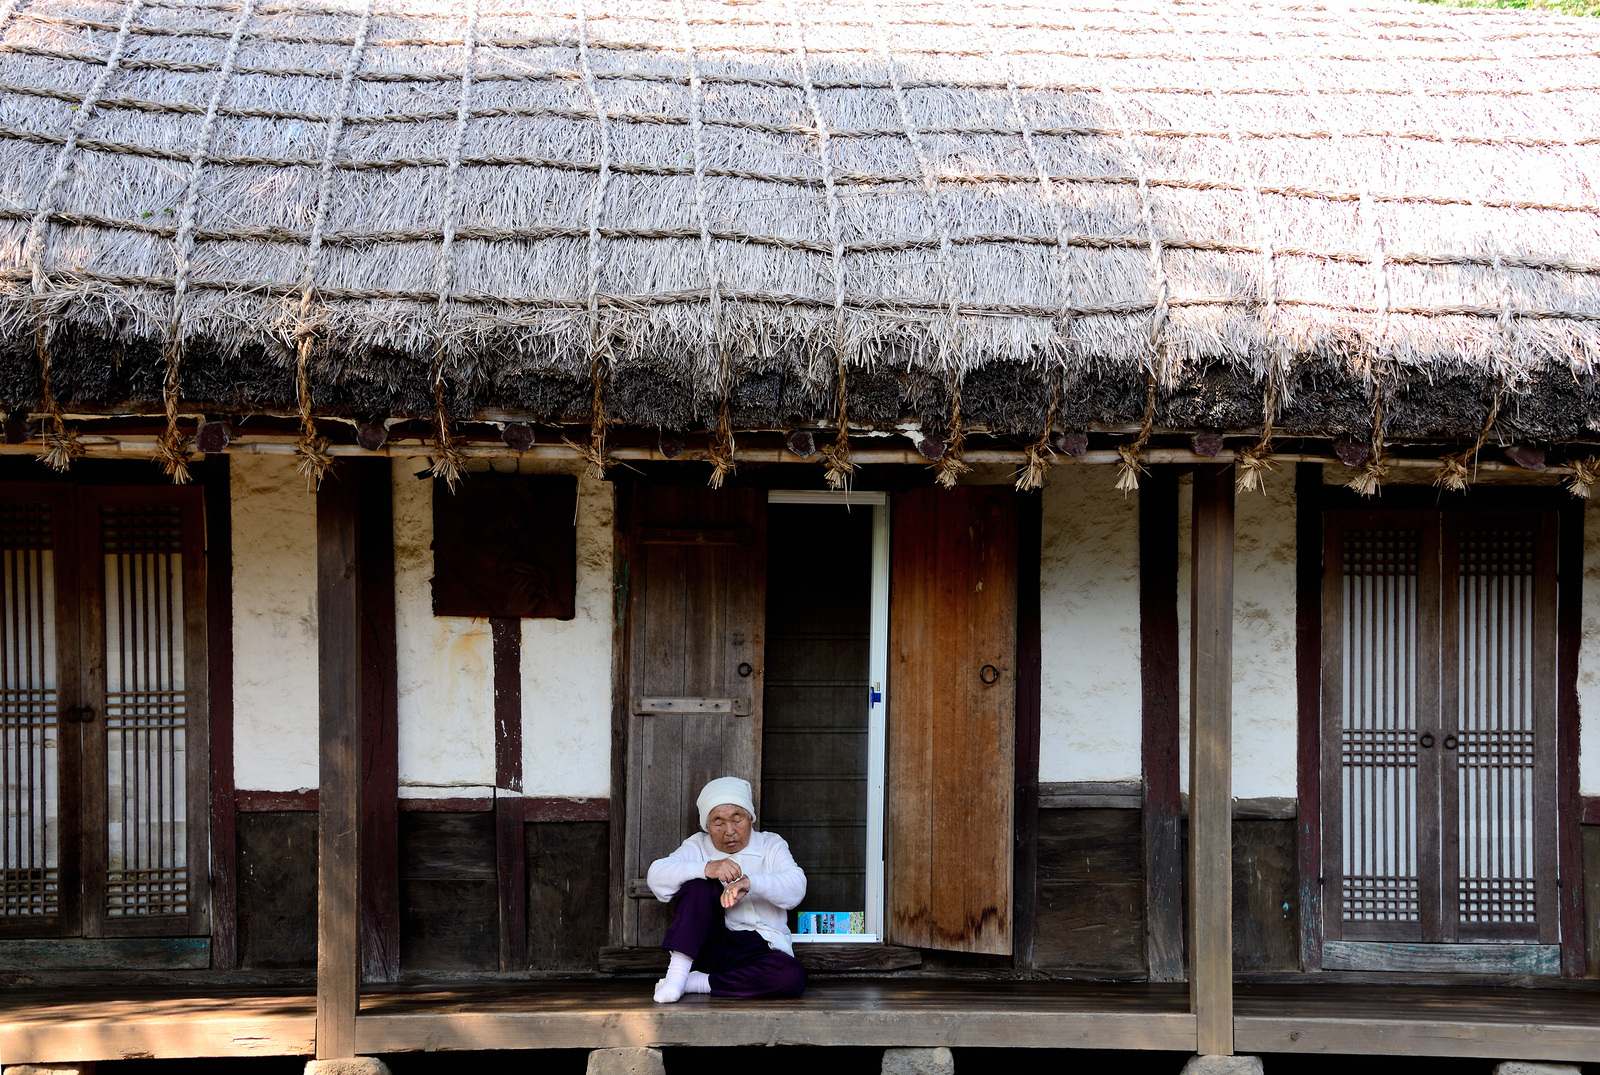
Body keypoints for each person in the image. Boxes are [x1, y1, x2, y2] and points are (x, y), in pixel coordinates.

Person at [645, 776, 808, 1002]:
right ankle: (676, 976)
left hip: (761, 948)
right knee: (699, 886)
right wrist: (707, 868)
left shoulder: (770, 844)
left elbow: (796, 887)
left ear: (750, 818)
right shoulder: (698, 845)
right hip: (712, 945)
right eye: (718, 823)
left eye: (737, 819)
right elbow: (656, 876)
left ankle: (695, 982)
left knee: (791, 976)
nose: (729, 831)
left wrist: (750, 883)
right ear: (707, 826)